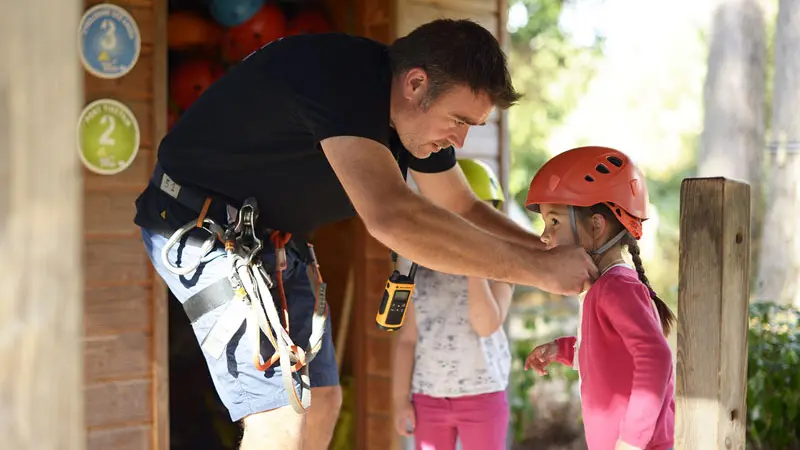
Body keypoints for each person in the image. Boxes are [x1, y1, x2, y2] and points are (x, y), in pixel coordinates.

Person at [133, 19, 598, 450]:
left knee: (322, 401)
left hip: (272, 238)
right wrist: (538, 271)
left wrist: (547, 251)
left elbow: (462, 205)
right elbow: (392, 217)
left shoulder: (415, 121)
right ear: (416, 84)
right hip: (199, 223)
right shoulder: (344, 77)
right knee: (278, 414)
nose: (460, 142)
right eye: (458, 121)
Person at [523, 146, 676, 450]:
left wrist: (632, 439)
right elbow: (609, 351)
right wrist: (562, 349)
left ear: (596, 226)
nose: (544, 235)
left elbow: (656, 357)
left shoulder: (616, 288)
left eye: (554, 222)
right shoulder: (604, 286)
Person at [392, 159, 513, 450]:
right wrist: (399, 400)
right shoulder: (417, 269)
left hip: (483, 395)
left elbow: (485, 326)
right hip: (428, 397)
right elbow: (408, 339)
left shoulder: (503, 270)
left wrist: (474, 264)